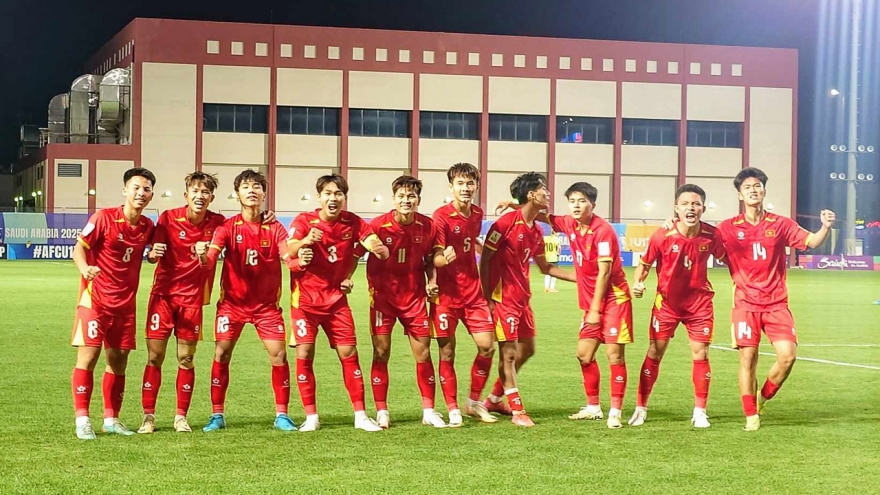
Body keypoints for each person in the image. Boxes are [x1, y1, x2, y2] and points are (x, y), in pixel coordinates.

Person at [497, 182, 633, 429]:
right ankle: (593, 408)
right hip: (591, 304)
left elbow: (604, 273)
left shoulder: (603, 231)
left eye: (582, 201)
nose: (576, 206)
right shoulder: (569, 223)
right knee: (584, 355)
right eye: (572, 201)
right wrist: (514, 205)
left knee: (614, 355)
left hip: (614, 300)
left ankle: (616, 411)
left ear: (593, 204)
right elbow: (540, 214)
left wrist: (595, 310)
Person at [717, 167, 834, 431]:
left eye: (757, 186)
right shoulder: (727, 227)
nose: (753, 190)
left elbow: (812, 242)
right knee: (748, 358)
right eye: (747, 187)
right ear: (740, 194)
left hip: (776, 303)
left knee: (787, 357)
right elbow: (702, 239)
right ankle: (750, 415)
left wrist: (825, 227)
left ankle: (762, 398)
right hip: (745, 304)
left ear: (764, 191)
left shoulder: (780, 224)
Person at [286, 173, 390, 433]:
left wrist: (377, 247)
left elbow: (370, 240)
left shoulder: (352, 222)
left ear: (344, 197)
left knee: (349, 354)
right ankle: (311, 416)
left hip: (336, 302)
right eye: (328, 193)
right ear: (319, 196)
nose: (333, 198)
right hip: (305, 303)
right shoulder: (304, 221)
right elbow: (288, 250)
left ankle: (360, 415)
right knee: (304, 354)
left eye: (338, 194)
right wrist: (305, 241)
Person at [200, 169, 299, 432]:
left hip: (266, 308)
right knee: (221, 353)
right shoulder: (227, 227)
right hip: (231, 306)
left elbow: (288, 257)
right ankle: (217, 415)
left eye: (257, 186)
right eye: (245, 187)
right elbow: (210, 259)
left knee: (279, 355)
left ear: (264, 194)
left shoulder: (275, 227)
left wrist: (299, 259)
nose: (252, 190)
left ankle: (282, 415)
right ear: (237, 194)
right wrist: (202, 256)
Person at [70, 167, 161, 440]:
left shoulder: (147, 226)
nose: (141, 193)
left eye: (146, 189)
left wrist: (152, 256)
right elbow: (79, 247)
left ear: (151, 195)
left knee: (118, 361)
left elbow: (152, 254)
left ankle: (111, 419)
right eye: (136, 187)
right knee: (88, 358)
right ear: (125, 190)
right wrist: (85, 269)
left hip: (125, 305)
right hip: (95, 301)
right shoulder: (104, 217)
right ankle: (82, 420)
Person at [481, 172, 575, 427]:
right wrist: (488, 299)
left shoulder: (536, 230)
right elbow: (485, 261)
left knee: (528, 350)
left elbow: (546, 268)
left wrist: (580, 278)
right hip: (503, 299)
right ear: (532, 194)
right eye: (543, 188)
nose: (548, 193)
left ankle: (494, 399)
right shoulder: (504, 225)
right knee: (509, 354)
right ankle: (517, 411)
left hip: (523, 300)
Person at [628, 184, 725, 429]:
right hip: (667, 305)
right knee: (655, 352)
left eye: (696, 204)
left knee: (701, 354)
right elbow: (644, 264)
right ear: (676, 208)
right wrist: (638, 282)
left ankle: (700, 412)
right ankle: (641, 408)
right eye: (685, 204)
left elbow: (729, 258)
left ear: (703, 208)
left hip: (699, 305)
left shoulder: (712, 235)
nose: (691, 208)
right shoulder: (662, 235)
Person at [138, 172, 225, 434]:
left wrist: (265, 216)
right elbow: (153, 254)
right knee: (155, 357)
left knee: (186, 359)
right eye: (195, 191)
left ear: (211, 198)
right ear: (186, 195)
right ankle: (149, 417)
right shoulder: (168, 218)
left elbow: (243, 223)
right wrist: (152, 254)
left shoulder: (218, 222)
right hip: (163, 297)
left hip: (192, 301)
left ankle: (180, 417)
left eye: (205, 192)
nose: (200, 196)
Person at [367, 176, 447, 428]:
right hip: (382, 299)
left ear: (418, 200)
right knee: (381, 353)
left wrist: (431, 281)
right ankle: (382, 410)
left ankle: (429, 411)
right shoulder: (378, 225)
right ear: (393, 199)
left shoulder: (427, 226)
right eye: (401, 196)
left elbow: (430, 260)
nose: (406, 200)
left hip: (414, 299)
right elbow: (357, 251)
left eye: (411, 196)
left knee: (423, 353)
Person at [430, 163, 498, 425]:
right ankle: (452, 408)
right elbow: (435, 256)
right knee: (447, 352)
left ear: (477, 186)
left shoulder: (477, 213)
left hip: (473, 294)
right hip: (446, 296)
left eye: (470, 183)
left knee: (487, 347)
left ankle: (473, 402)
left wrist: (481, 250)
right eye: (460, 183)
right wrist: (442, 259)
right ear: (451, 187)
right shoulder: (441, 216)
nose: (466, 188)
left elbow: (470, 241)